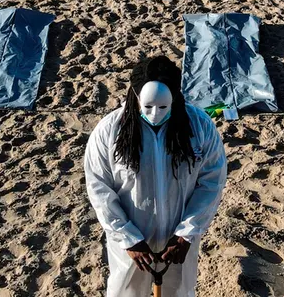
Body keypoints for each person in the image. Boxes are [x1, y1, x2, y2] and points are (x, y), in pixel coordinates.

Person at [85, 56, 227, 297]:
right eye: (147, 106)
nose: (154, 114)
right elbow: (99, 187)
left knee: (180, 292)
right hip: (132, 242)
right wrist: (128, 238)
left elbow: (212, 181)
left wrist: (186, 232)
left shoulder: (199, 126)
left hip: (179, 240)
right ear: (135, 94)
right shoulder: (109, 130)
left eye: (163, 107)